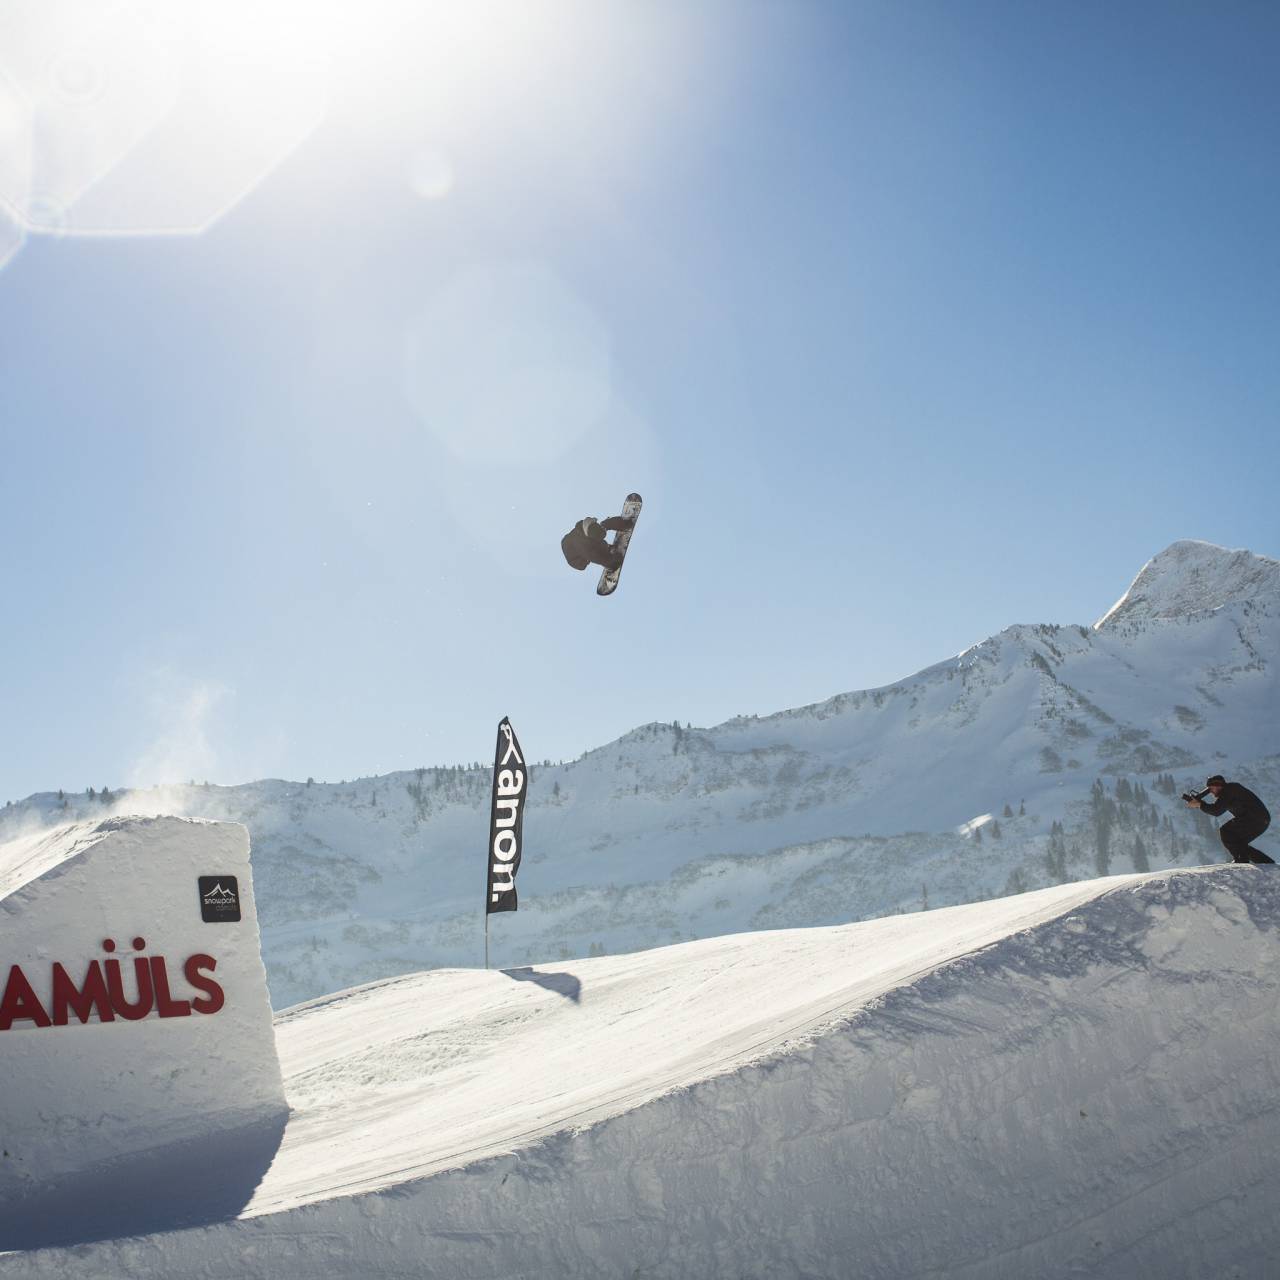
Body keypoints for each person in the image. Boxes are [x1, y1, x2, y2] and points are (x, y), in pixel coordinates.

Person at [1186, 775, 1275, 864]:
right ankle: (1267, 863)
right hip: (1261, 820)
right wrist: (1200, 804)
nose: (1211, 792)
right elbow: (1216, 808)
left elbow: (1216, 811)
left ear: (1218, 786)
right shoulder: (1230, 790)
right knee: (1238, 843)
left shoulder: (1228, 791)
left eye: (1210, 789)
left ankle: (1241, 861)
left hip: (1254, 818)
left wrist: (1200, 805)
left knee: (1226, 832)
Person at [560, 513, 633, 573]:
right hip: (576, 560)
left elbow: (603, 527)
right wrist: (613, 562)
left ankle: (622, 524)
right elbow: (597, 558)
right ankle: (608, 553)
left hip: (582, 538)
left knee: (605, 525)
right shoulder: (585, 548)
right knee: (597, 550)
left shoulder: (591, 526)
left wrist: (625, 523)